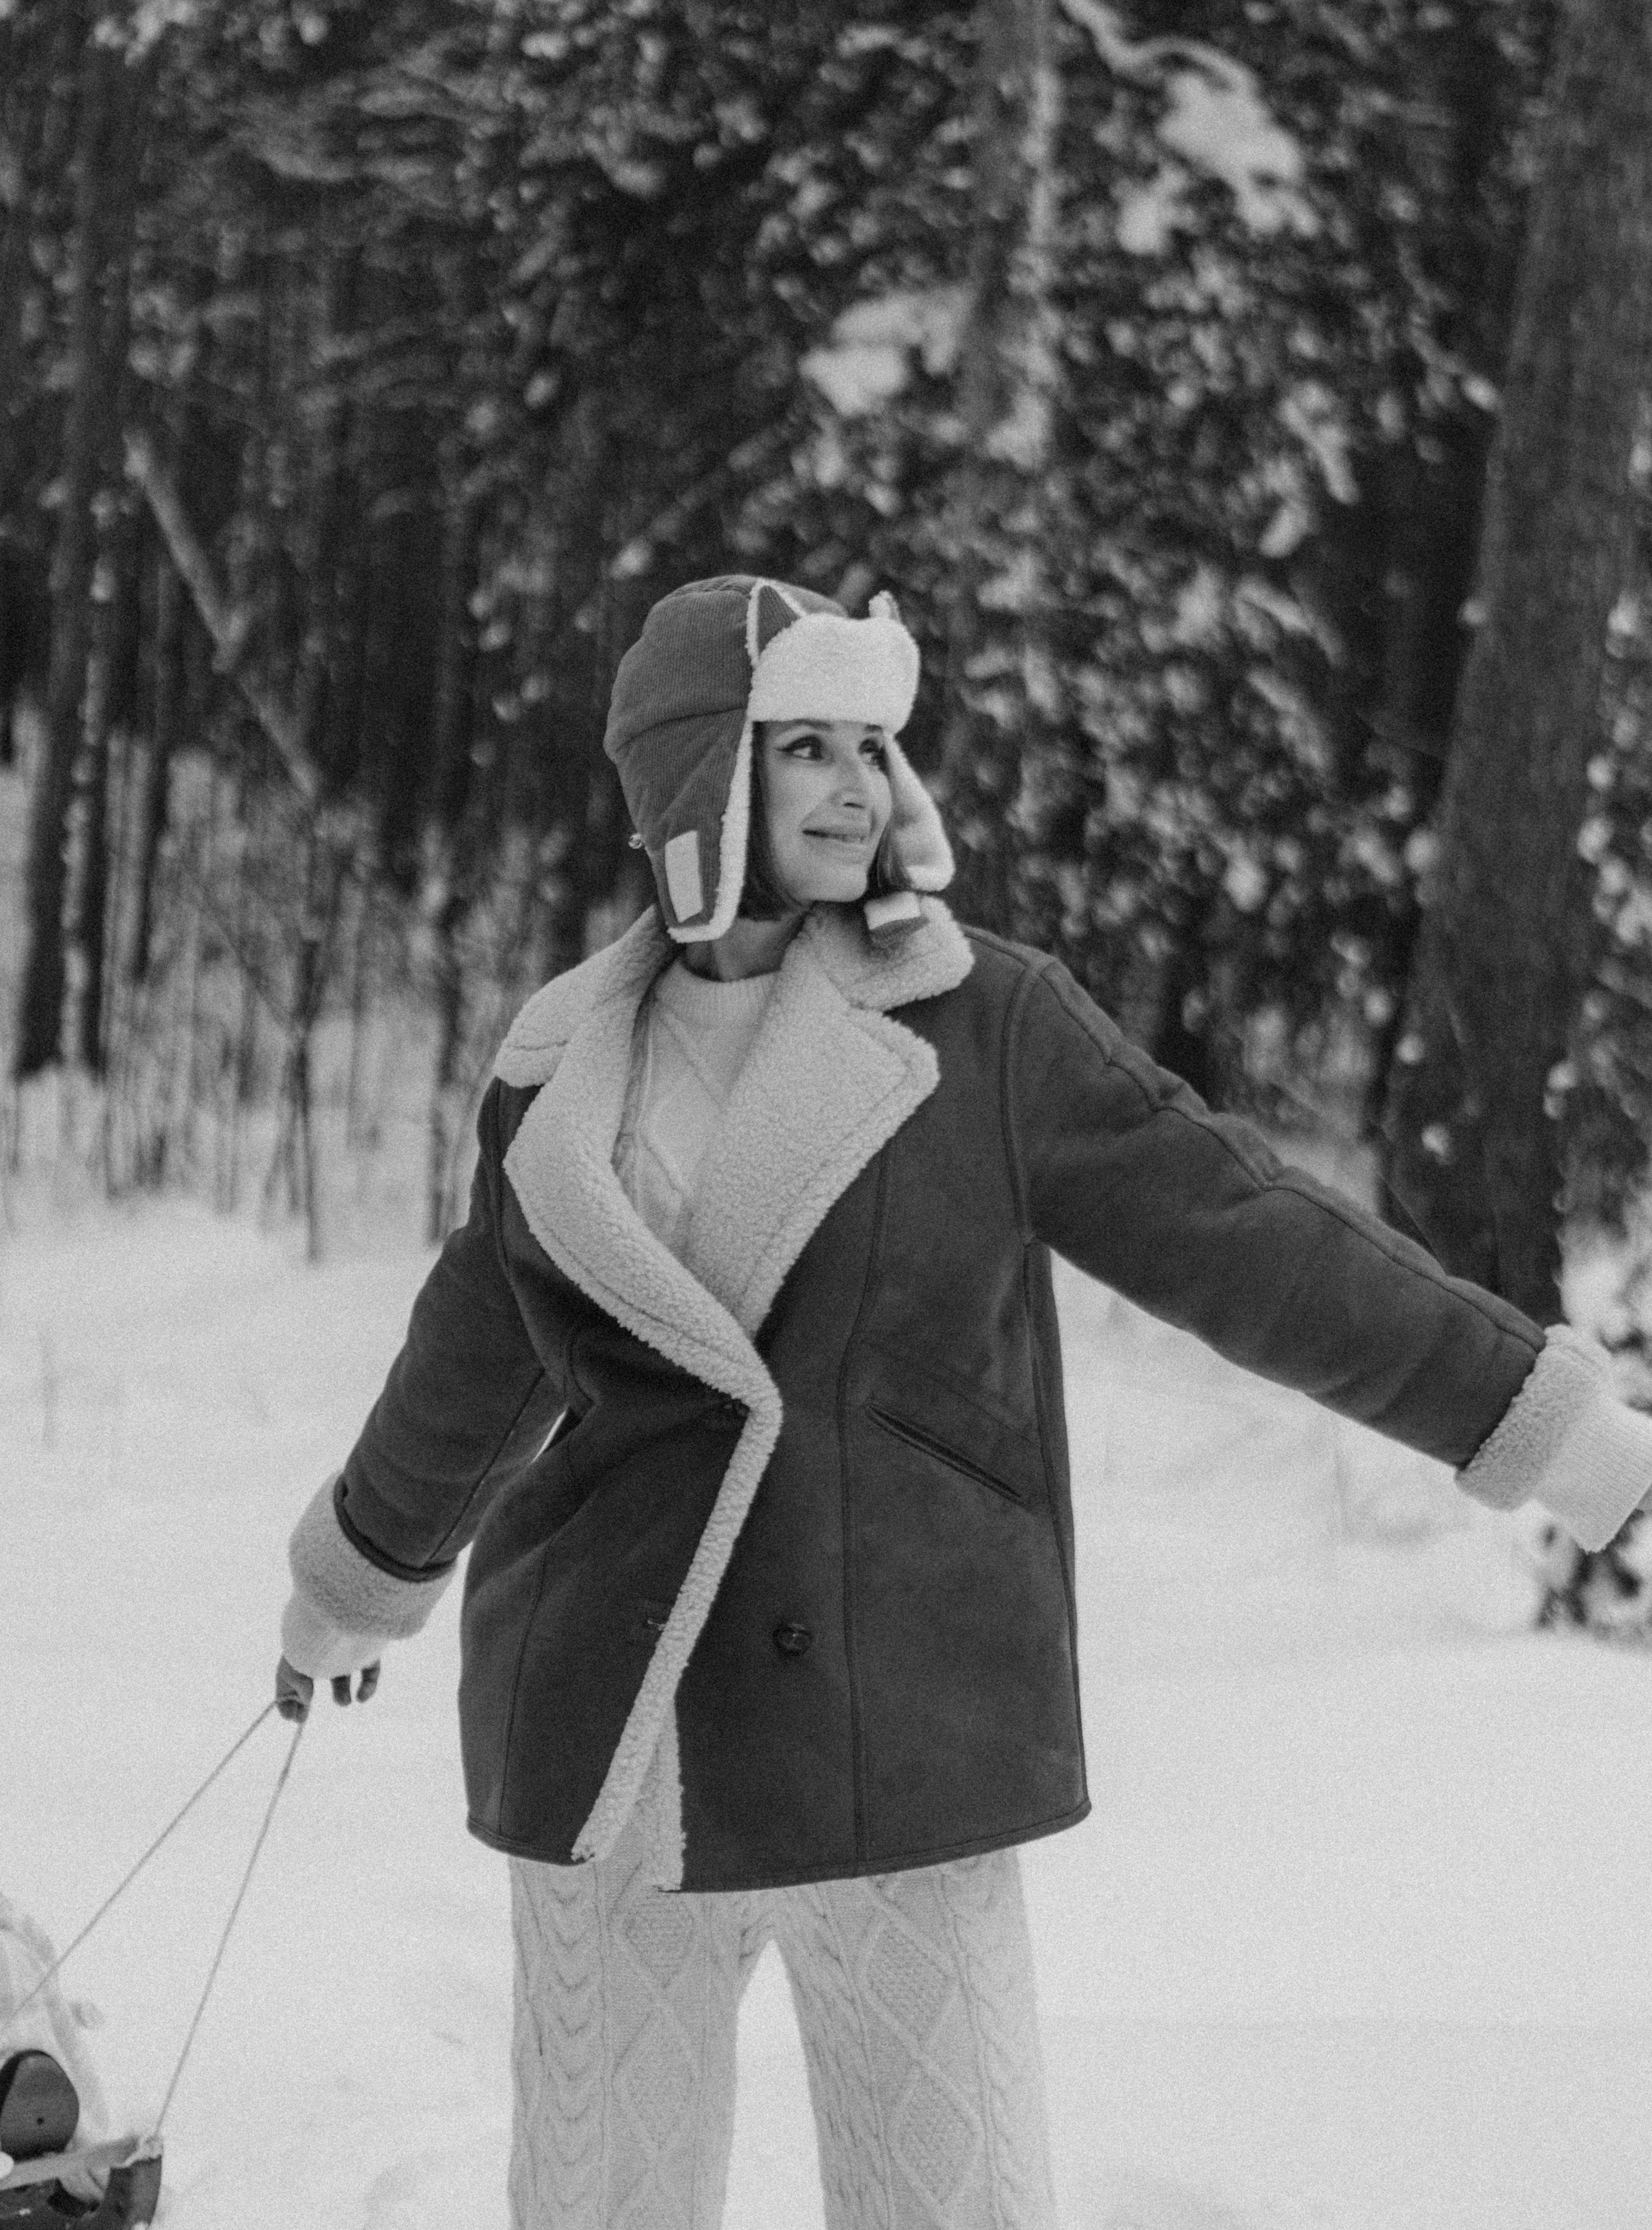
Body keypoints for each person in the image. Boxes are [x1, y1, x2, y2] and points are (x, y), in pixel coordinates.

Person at [276, 572, 1652, 2230]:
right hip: (611, 1747)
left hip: (895, 1726)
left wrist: (1548, 1427)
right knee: (593, 2206)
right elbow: (471, 1363)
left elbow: (1245, 1235)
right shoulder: (558, 1067)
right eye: (808, 750)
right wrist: (351, 1584)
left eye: (874, 746)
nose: (861, 787)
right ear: (701, 774)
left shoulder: (981, 1023)